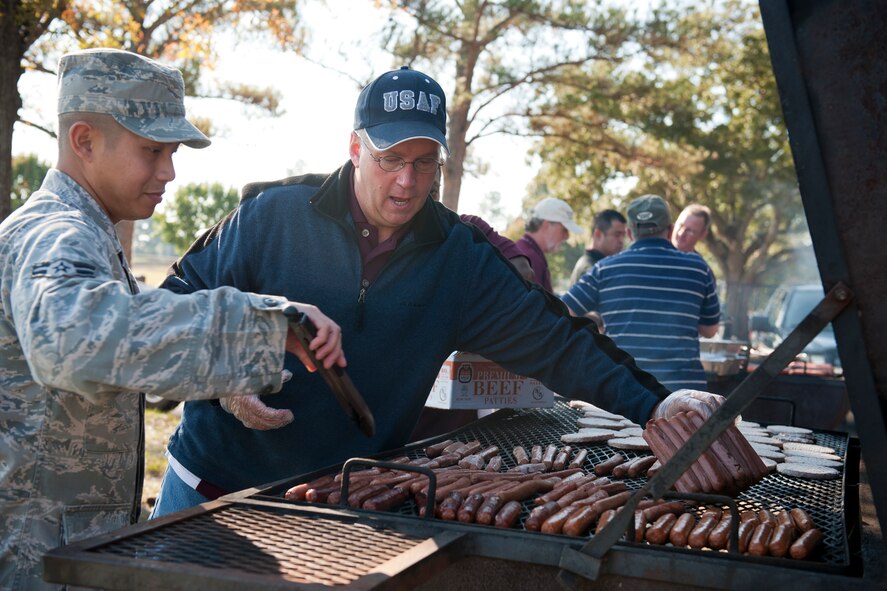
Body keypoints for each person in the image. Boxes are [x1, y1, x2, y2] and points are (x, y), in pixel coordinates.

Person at [151, 67, 726, 517]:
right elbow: (168, 308)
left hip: (338, 503)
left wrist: (655, 402)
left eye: (425, 164)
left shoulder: (460, 259)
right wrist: (220, 376)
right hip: (210, 485)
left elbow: (558, 341)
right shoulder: (270, 216)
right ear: (354, 149)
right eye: (391, 159)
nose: (407, 182)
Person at [0, 48, 344, 590]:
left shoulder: (88, 235)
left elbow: (119, 354)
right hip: (36, 563)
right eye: (152, 150)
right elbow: (76, 340)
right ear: (84, 141)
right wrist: (260, 327)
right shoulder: (54, 232)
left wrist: (232, 374)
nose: (170, 171)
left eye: (173, 151)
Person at [562, 195, 721, 391]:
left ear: (629, 232)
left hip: (625, 391)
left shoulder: (604, 268)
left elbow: (563, 311)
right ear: (670, 230)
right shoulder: (699, 268)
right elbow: (710, 330)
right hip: (683, 394)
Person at [515, 197, 582, 292]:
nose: (567, 236)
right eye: (564, 229)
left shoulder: (527, 251)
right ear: (546, 224)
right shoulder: (529, 257)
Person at [568, 209, 627, 286]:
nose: (621, 240)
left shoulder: (597, 265)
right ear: (598, 234)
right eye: (617, 235)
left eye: (623, 235)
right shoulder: (591, 270)